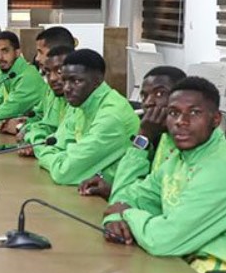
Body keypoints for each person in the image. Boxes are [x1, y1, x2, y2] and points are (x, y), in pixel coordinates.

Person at [103, 77, 226, 273]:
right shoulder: (181, 157)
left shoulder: (222, 168)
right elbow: (131, 195)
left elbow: (162, 240)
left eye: (194, 113)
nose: (181, 122)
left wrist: (126, 214)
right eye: (173, 113)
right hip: (182, 262)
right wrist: (114, 217)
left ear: (216, 119)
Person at [34, 49, 139, 186]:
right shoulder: (82, 102)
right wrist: (59, 156)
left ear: (98, 80)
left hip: (116, 193)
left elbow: (63, 172)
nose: (67, 88)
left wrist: (46, 155)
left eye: (76, 81)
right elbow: (56, 144)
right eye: (65, 80)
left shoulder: (111, 115)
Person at [79, 66, 186, 199]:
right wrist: (111, 189)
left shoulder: (187, 142)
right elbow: (146, 193)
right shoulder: (161, 136)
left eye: (160, 94)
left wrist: (143, 136)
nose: (148, 102)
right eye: (144, 96)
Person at [0, 26, 77, 135]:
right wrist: (24, 121)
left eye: (40, 52)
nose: (37, 58)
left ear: (56, 52)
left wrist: (21, 128)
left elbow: (56, 132)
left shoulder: (73, 91)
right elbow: (39, 115)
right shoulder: (51, 84)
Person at [18, 44, 75, 153]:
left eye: (59, 71)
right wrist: (27, 131)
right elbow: (48, 126)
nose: (52, 78)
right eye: (47, 72)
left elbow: (64, 143)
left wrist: (37, 147)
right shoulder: (59, 94)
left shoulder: (80, 102)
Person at [0, 31, 46, 124]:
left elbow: (1, 115)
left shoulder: (27, 78)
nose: (0, 57)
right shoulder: (8, 74)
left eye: (5, 51)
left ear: (17, 52)